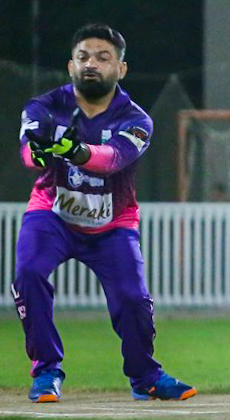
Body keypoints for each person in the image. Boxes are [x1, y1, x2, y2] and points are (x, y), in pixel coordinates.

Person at [12, 23, 196, 403]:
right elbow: (29, 151)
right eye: (83, 57)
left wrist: (77, 152)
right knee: (28, 273)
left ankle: (145, 377)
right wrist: (39, 154)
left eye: (102, 57)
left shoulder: (137, 119)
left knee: (133, 299)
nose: (91, 64)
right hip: (52, 215)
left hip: (113, 224)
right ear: (70, 66)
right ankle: (47, 371)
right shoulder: (43, 107)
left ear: (121, 69)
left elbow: (114, 159)